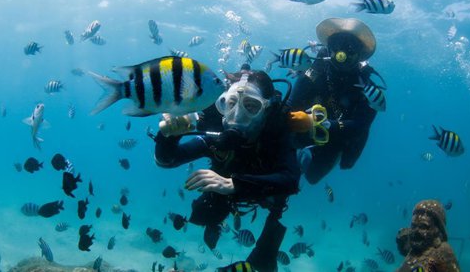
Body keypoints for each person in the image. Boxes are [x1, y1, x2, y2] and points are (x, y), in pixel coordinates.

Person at [154, 69, 300, 272]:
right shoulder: (217, 131)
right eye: (230, 104)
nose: (238, 115)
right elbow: (168, 160)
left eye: (251, 106)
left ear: (266, 109)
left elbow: (291, 180)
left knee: (277, 206)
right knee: (203, 214)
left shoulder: (276, 134)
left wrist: (234, 184)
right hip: (225, 185)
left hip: (265, 186)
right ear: (221, 105)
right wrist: (168, 136)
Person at [288, 18, 385, 184]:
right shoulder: (315, 70)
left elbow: (361, 125)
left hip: (337, 139)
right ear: (328, 47)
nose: (342, 54)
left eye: (350, 48)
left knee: (312, 177)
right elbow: (290, 105)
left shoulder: (367, 87)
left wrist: (325, 125)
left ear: (359, 55)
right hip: (303, 130)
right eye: (336, 45)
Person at [395, 200, 460, 272]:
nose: (416, 231)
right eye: (413, 226)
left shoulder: (443, 253)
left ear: (437, 230)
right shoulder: (415, 249)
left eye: (423, 227)